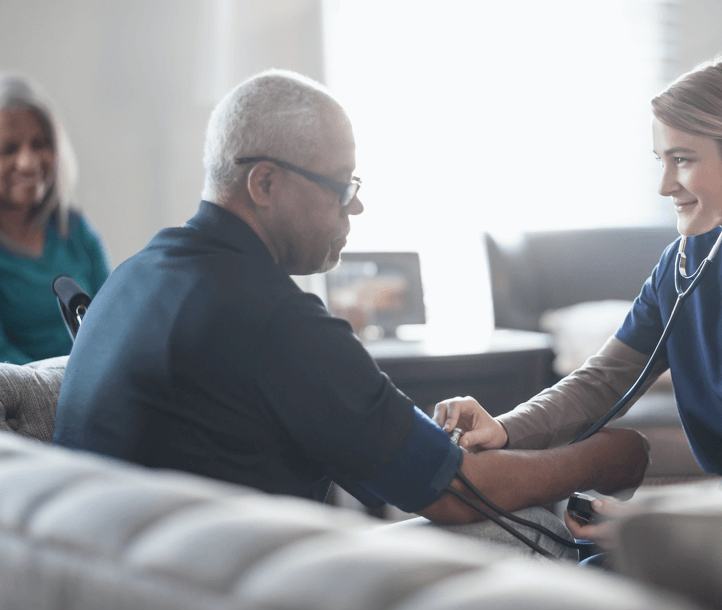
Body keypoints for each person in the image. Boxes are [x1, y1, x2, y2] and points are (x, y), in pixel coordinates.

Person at [52, 70, 648, 557]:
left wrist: (429, 442)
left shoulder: (134, 276)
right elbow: (458, 494)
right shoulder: (272, 316)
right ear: (264, 183)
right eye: (341, 185)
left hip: (117, 586)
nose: (356, 204)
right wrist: (611, 456)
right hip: (223, 604)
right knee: (540, 529)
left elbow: (376, 453)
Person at [434, 55, 722, 551]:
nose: (664, 186)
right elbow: (603, 380)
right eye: (661, 161)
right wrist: (504, 429)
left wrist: (655, 521)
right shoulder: (683, 264)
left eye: (684, 159)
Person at [0, 74, 110, 364]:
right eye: (8, 149)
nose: (28, 162)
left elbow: (113, 318)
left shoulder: (74, 228)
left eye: (39, 144)